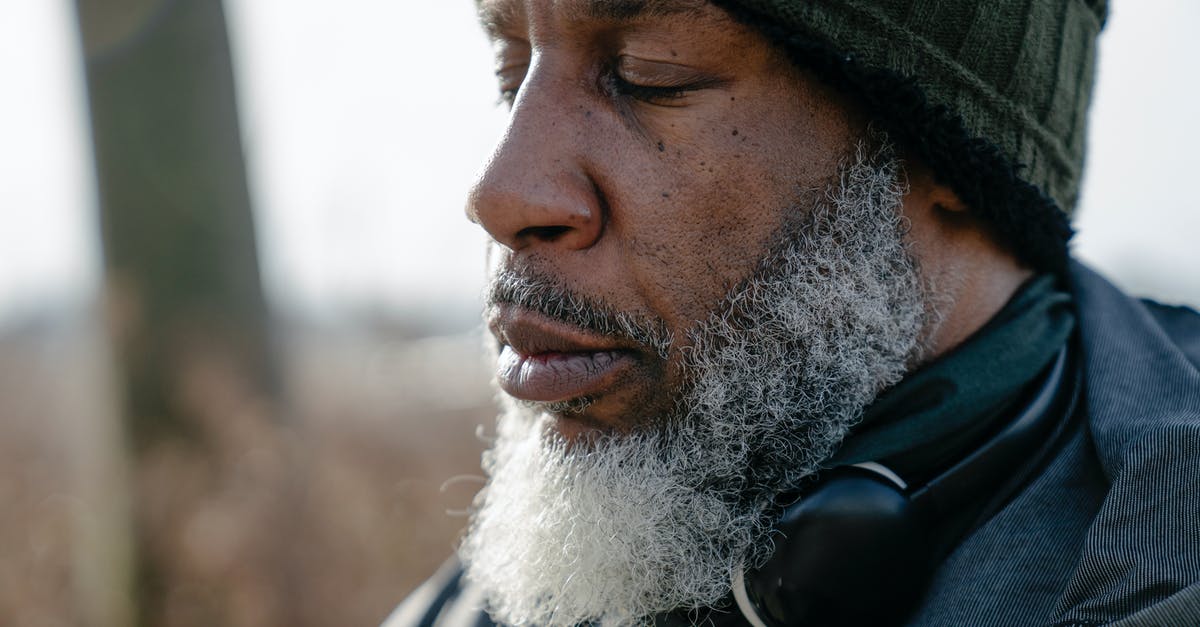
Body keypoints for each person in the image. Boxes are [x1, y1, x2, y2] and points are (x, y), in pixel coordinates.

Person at [387, 0, 1200, 624]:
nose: (500, 194)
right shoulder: (490, 593)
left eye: (649, 72)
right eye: (511, 67)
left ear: (950, 149)